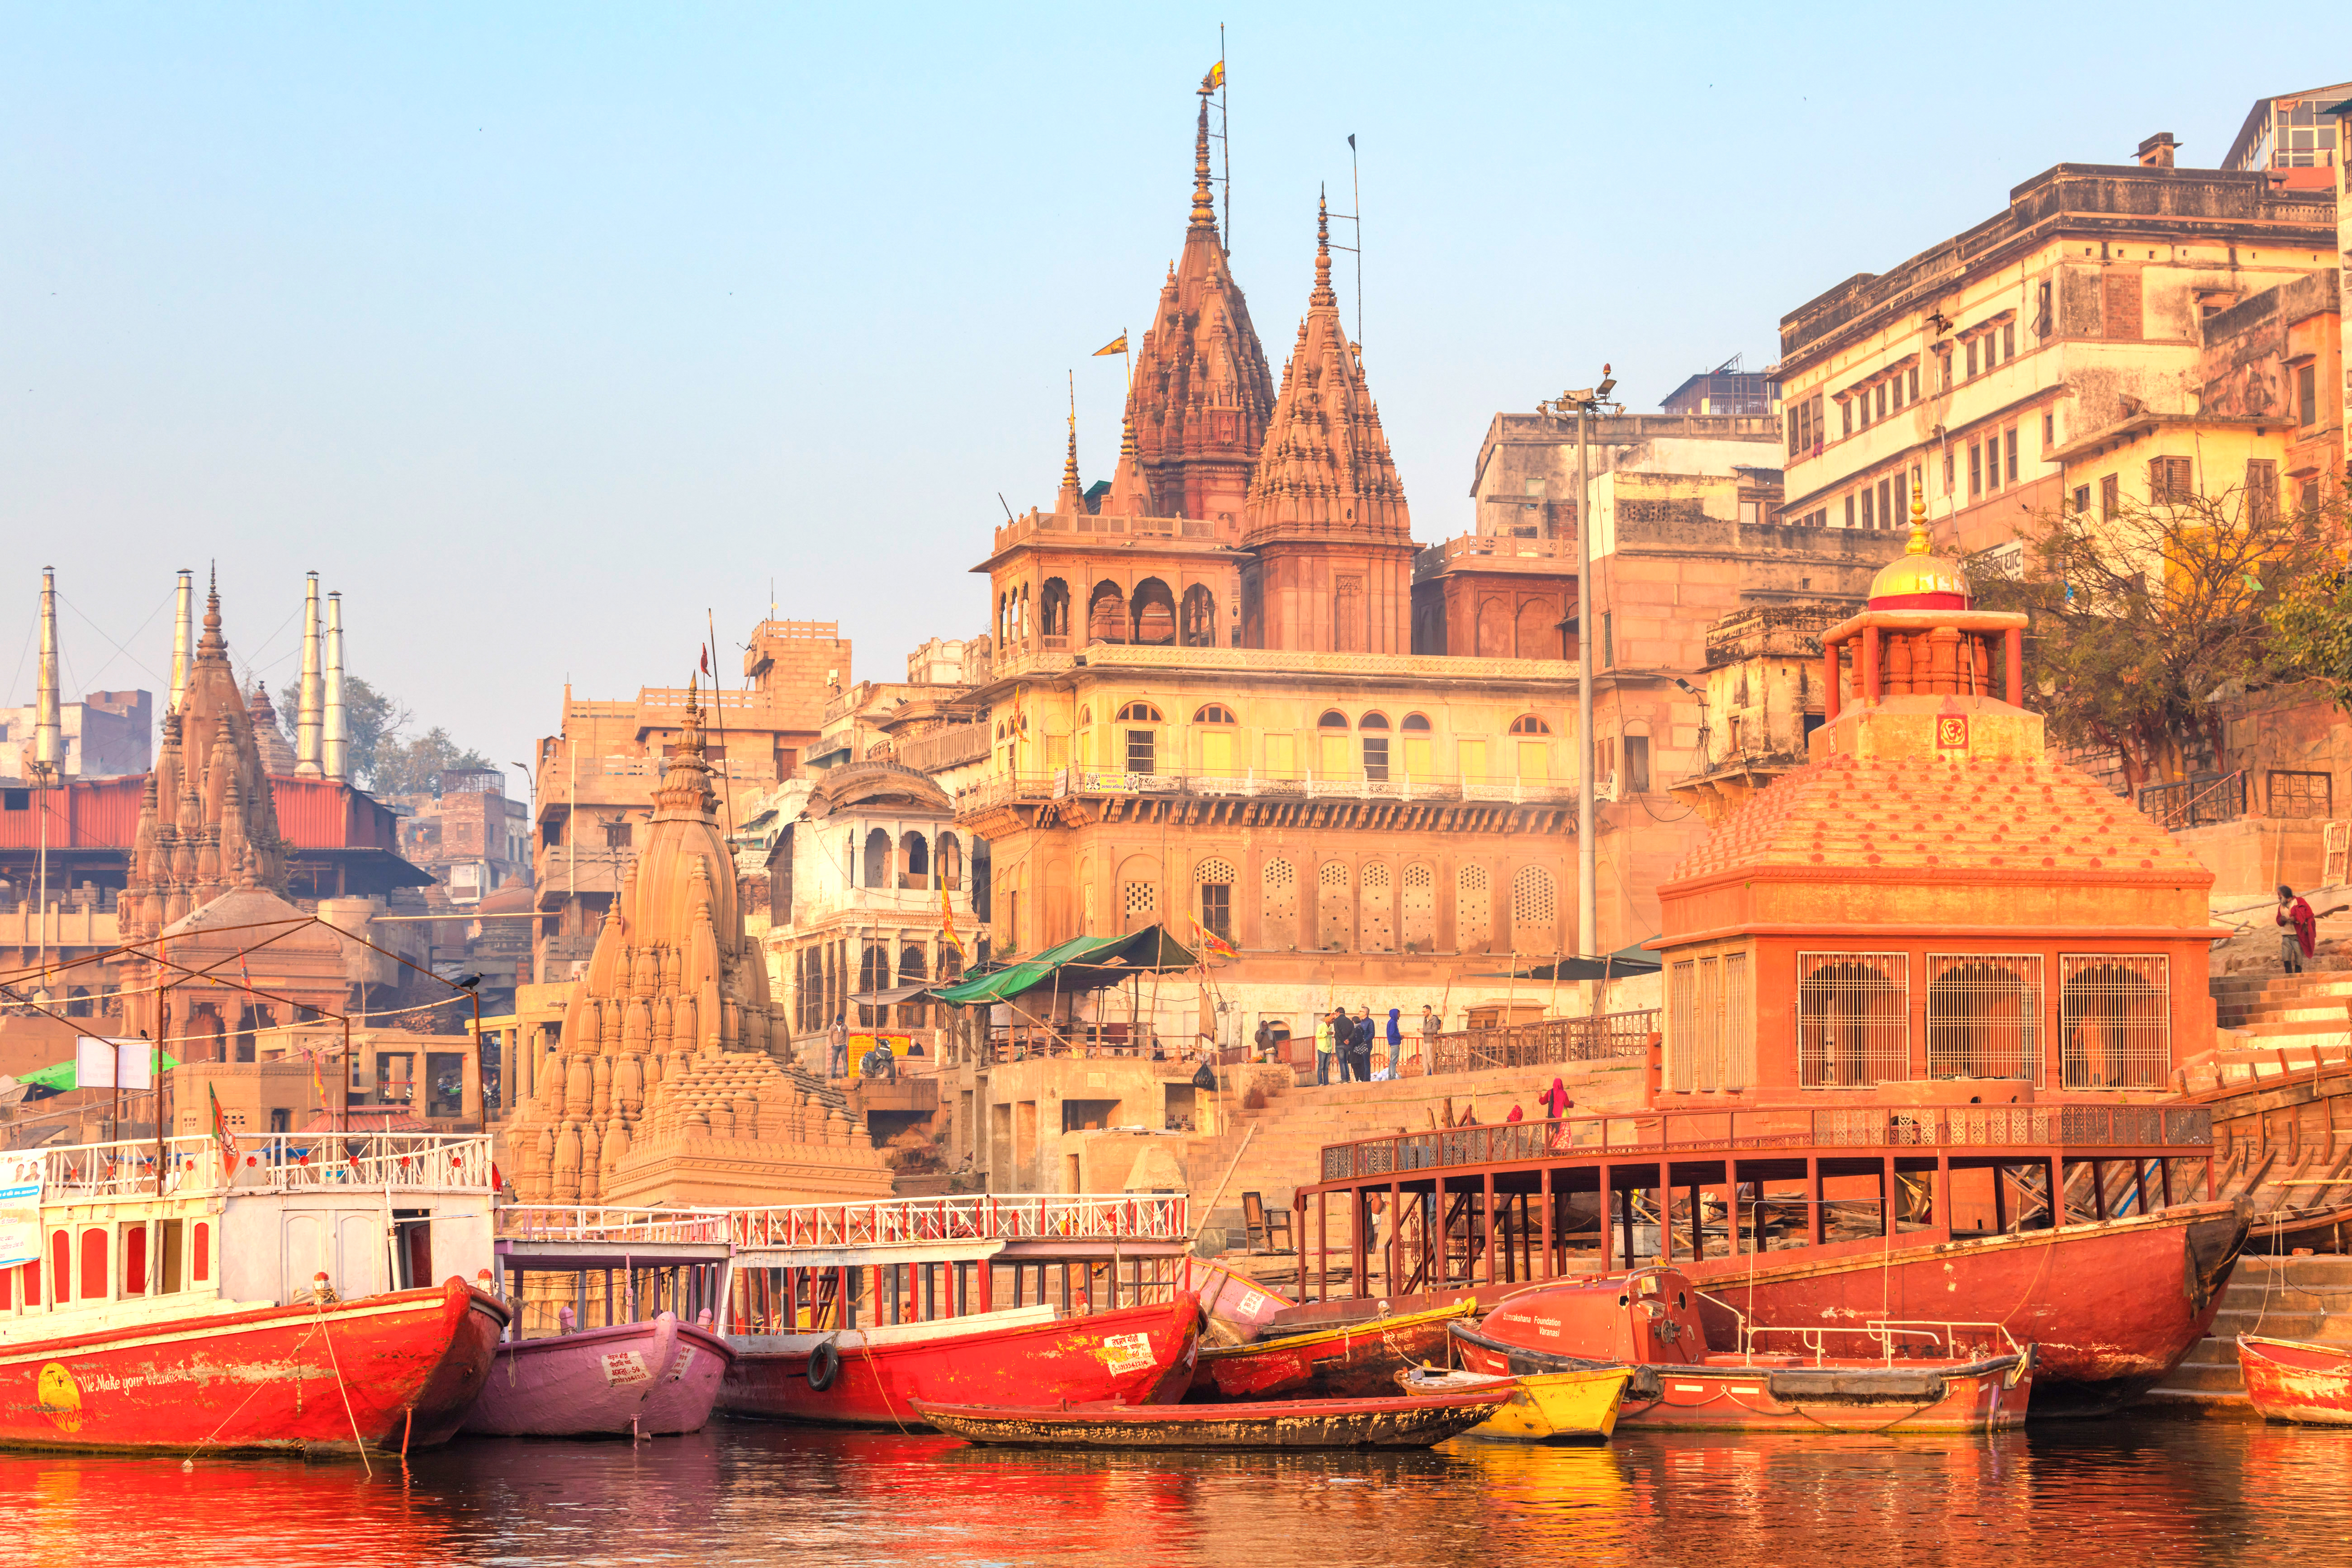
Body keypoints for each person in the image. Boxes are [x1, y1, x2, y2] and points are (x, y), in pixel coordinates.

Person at [2280, 884, 2318, 976]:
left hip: (2298, 935)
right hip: (2286, 934)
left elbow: (2309, 914)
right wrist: (2281, 920)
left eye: (2279, 895)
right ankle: (2289, 976)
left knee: (2299, 957)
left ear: (2285, 895)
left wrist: (2296, 918)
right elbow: (2278, 920)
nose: (2278, 897)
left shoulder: (2300, 901)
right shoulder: (2281, 906)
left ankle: (2297, 977)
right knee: (2286, 956)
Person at [1316, 1010, 1337, 1085]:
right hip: (1322, 1049)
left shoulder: (1330, 1028)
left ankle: (1326, 1083)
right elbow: (1317, 1036)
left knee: (1326, 1067)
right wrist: (1326, 1033)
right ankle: (1320, 1083)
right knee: (1321, 1066)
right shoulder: (1321, 1026)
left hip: (1329, 1049)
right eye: (1333, 1019)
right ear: (1328, 1019)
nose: (1334, 1021)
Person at [828, 1014, 849, 1078]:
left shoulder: (845, 1027)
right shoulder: (832, 1027)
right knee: (834, 1061)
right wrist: (832, 1045)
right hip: (835, 1046)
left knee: (845, 1060)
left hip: (843, 1046)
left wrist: (846, 1044)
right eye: (839, 1021)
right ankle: (833, 1075)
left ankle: (846, 1074)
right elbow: (830, 1036)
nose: (840, 1022)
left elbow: (848, 1035)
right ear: (837, 1021)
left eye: (841, 1021)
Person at [1385, 1009, 1404, 1079]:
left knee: (1392, 1061)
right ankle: (1393, 1077)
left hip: (1393, 1044)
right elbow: (1392, 1033)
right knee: (1394, 1061)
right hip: (1395, 1043)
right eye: (1399, 1014)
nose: (1400, 1016)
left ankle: (1390, 1076)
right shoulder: (1393, 1022)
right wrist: (1400, 1037)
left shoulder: (1391, 1022)